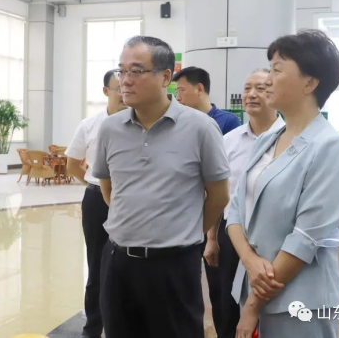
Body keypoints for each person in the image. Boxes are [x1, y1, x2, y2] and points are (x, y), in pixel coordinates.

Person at [93, 36, 231, 338]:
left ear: (166, 77)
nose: (125, 81)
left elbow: (219, 195)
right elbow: (108, 188)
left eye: (136, 71)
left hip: (174, 266)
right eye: (121, 71)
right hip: (118, 263)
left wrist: (186, 233)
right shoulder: (110, 128)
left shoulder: (201, 128)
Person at [226, 30, 339, 338]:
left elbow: (306, 237)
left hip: (299, 300)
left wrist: (254, 304)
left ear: (310, 83)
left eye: (277, 69)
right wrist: (250, 261)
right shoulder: (269, 139)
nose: (267, 79)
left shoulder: (331, 146)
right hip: (252, 284)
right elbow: (236, 208)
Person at [202, 68, 285, 338]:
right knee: (227, 307)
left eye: (260, 88)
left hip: (275, 239)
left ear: (276, 92)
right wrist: (211, 239)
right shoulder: (229, 141)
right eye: (247, 88)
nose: (251, 94)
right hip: (231, 234)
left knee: (272, 306)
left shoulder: (291, 139)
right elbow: (217, 192)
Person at [64, 70, 127, 338]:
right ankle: (92, 328)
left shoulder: (139, 123)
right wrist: (95, 185)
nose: (124, 93)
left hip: (130, 200)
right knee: (97, 263)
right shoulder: (89, 125)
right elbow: (72, 165)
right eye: (118, 88)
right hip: (96, 201)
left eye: (127, 87)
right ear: (106, 91)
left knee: (127, 264)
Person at [173, 66, 241, 135]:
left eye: (181, 91)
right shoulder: (181, 121)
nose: (177, 98)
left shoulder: (229, 121)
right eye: (177, 92)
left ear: (199, 89)